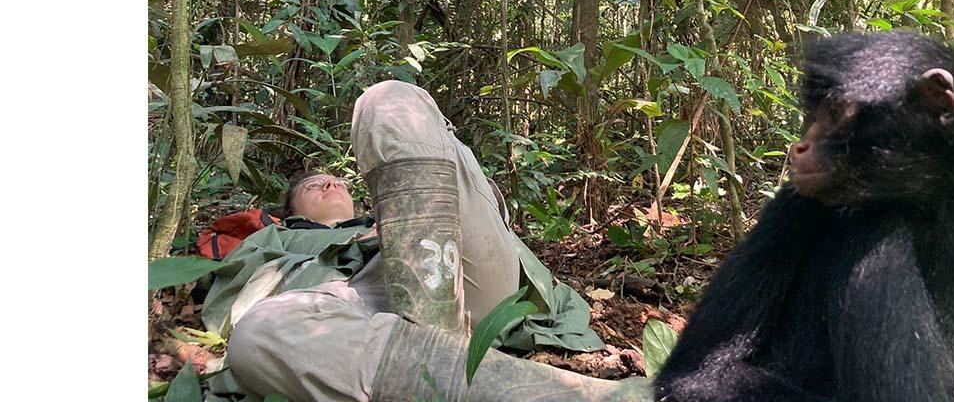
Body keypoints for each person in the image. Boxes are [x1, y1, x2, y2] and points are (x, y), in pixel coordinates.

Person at [211, 80, 648, 402]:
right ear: (290, 213)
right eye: (312, 186)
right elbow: (234, 306)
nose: (328, 184)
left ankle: (440, 354)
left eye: (334, 179)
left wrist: (396, 225)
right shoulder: (276, 239)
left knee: (388, 100)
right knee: (259, 334)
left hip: (462, 274)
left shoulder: (396, 206)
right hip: (357, 305)